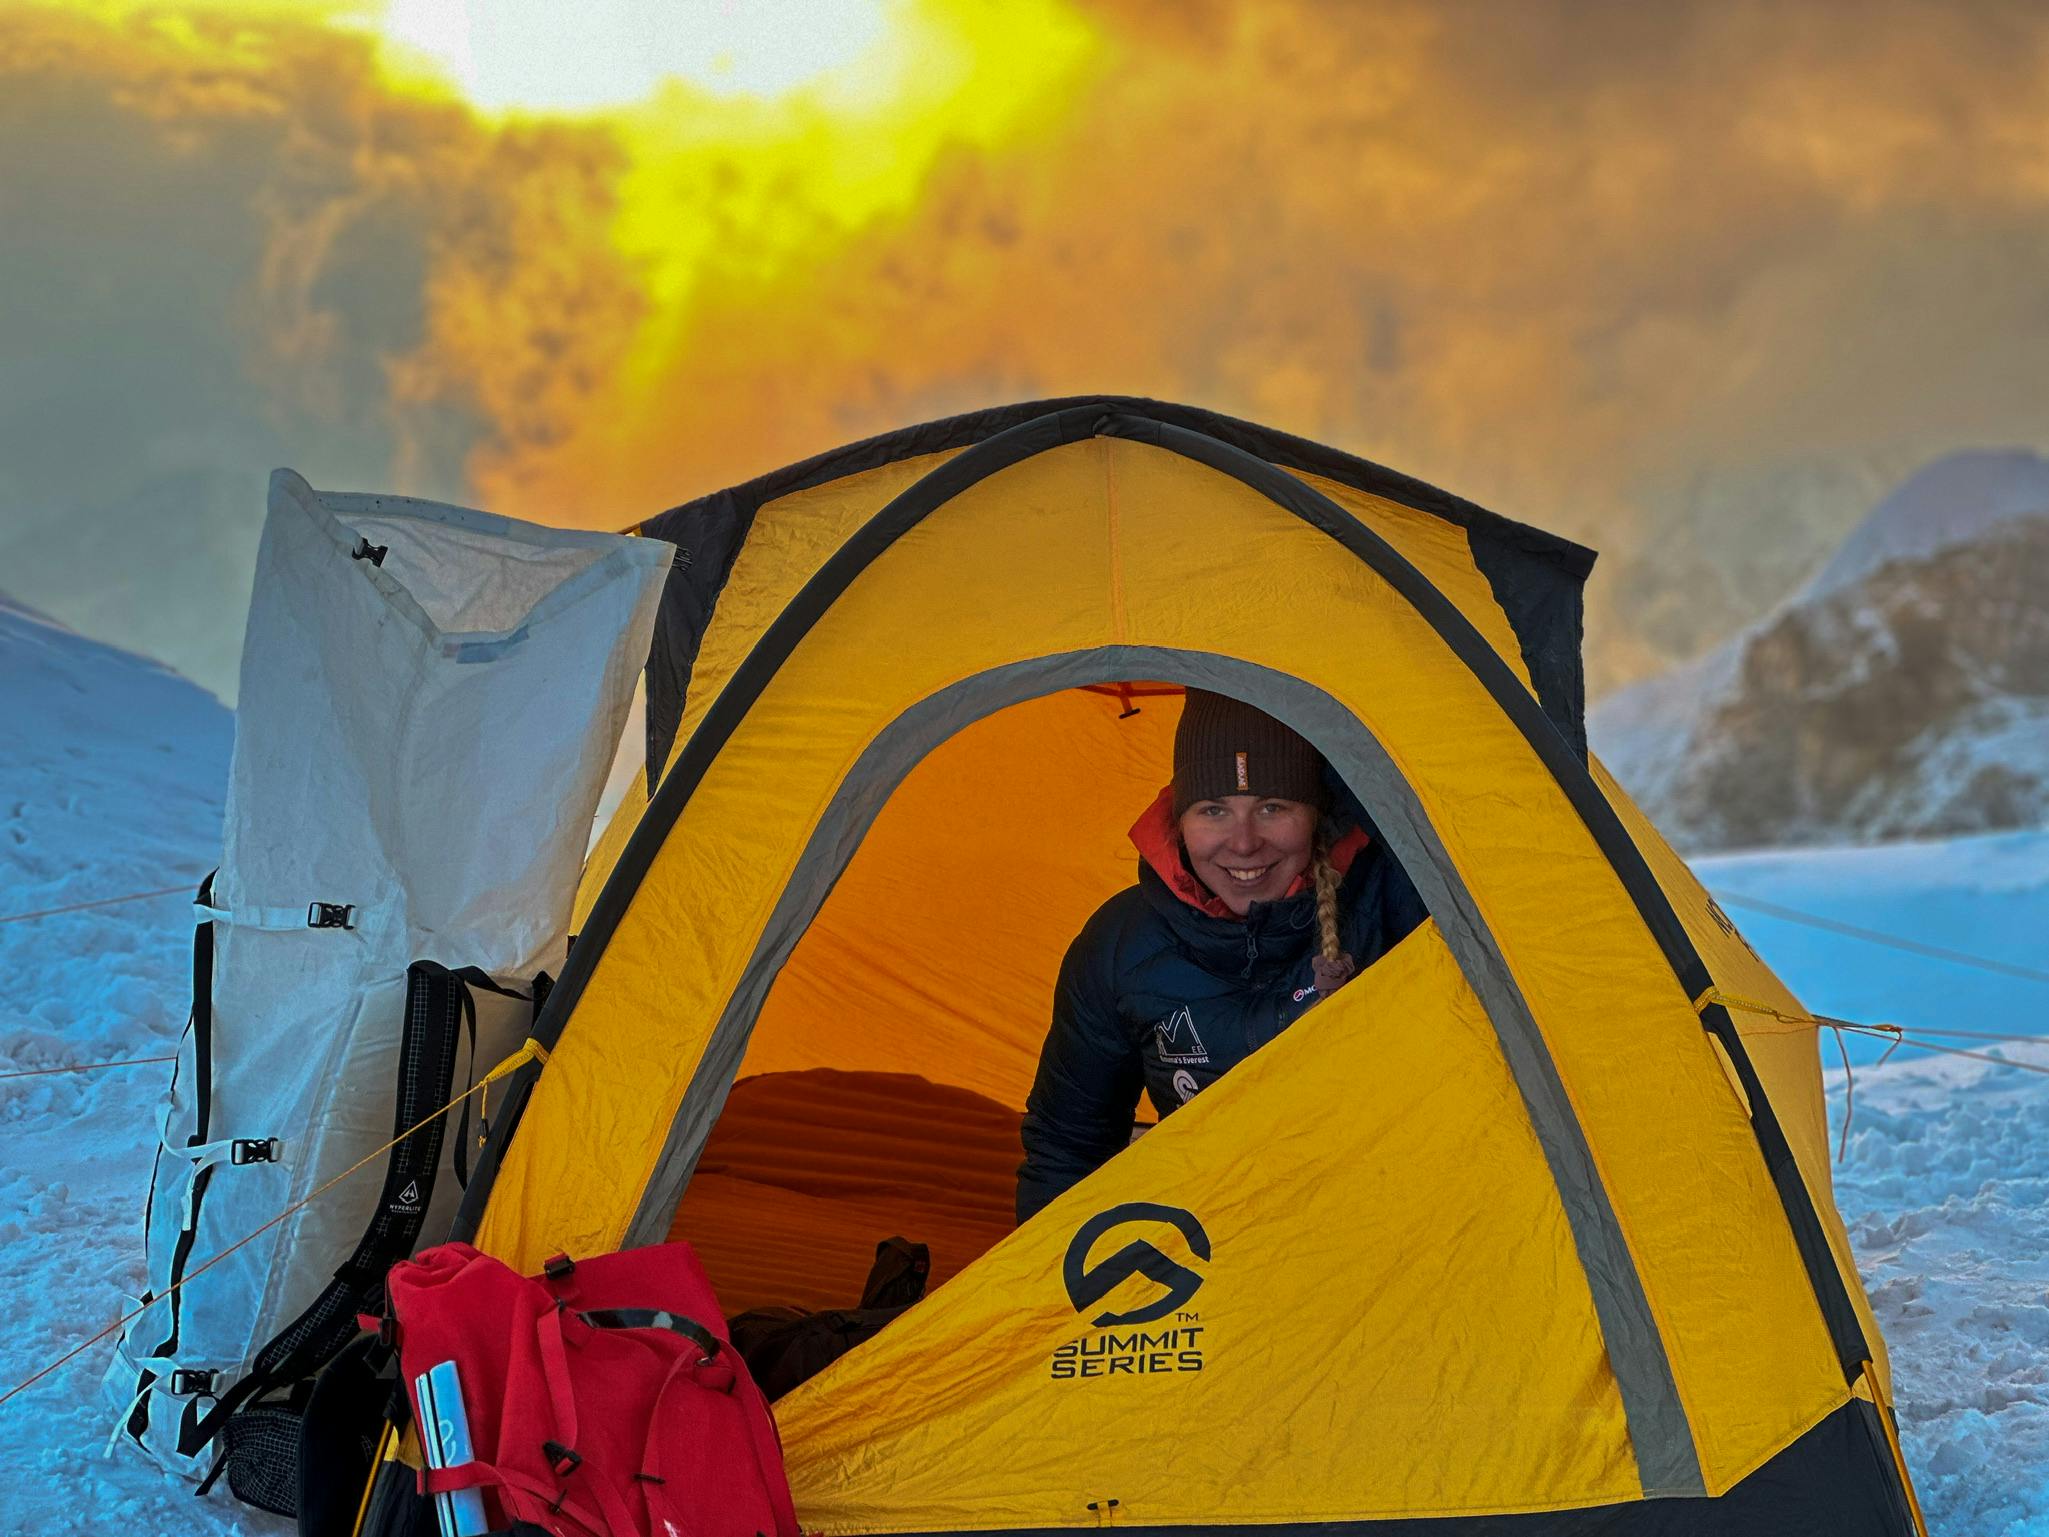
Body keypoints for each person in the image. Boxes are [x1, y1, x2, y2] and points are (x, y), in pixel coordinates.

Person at [1014, 690, 1425, 1224]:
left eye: (1273, 807)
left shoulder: (1397, 900)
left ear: (1317, 815)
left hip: (1394, 1234)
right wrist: (1056, 1301)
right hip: (1212, 1248)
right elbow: (1068, 1149)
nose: (1244, 843)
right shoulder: (1120, 946)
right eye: (1214, 810)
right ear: (1176, 819)